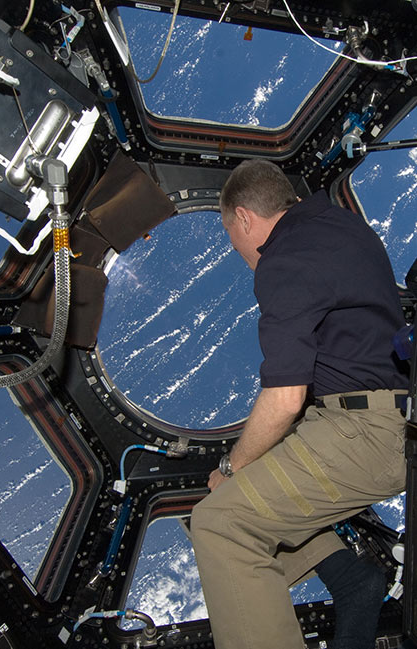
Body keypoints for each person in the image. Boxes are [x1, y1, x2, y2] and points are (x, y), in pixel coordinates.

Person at [190, 159, 409, 649]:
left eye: (231, 235)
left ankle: (347, 580)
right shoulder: (341, 225)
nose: (237, 250)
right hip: (381, 417)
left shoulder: (283, 261)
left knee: (219, 522)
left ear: (244, 218)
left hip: (364, 434)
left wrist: (234, 465)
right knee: (244, 502)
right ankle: (349, 578)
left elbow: (286, 396)